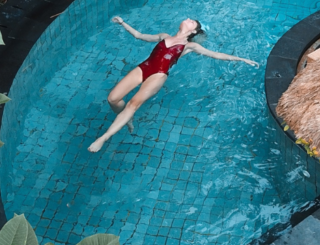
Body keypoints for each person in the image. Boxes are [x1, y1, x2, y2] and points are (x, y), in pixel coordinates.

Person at [87, 16, 259, 153]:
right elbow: (139, 36)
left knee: (132, 104)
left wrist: (242, 59)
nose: (189, 19)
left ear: (193, 30)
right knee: (113, 99)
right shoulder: (164, 36)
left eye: (192, 21)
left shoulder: (189, 46)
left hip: (158, 75)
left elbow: (216, 54)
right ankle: (126, 118)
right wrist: (123, 23)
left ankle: (104, 137)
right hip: (144, 67)